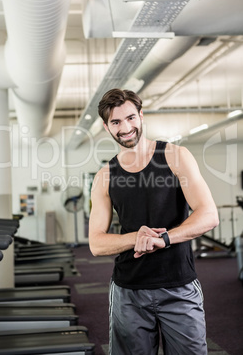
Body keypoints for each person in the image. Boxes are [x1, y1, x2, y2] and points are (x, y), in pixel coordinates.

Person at [89, 88, 219, 355]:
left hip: (179, 286)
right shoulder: (105, 176)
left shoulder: (175, 156)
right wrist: (137, 237)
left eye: (130, 118)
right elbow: (96, 243)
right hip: (128, 292)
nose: (125, 128)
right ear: (106, 126)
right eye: (115, 122)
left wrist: (163, 239)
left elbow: (208, 215)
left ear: (141, 115)